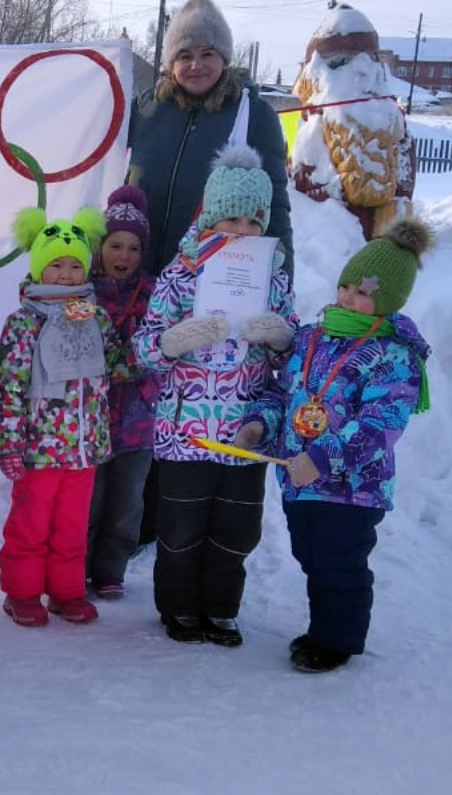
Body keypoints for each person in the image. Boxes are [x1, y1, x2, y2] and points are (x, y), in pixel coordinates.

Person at [127, 0, 294, 546]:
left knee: (189, 391)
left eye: (208, 53)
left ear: (225, 57)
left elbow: (276, 199)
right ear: (170, 59)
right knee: (144, 395)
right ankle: (142, 515)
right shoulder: (147, 109)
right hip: (148, 274)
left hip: (220, 279)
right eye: (185, 53)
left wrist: (278, 269)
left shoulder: (252, 113)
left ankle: (169, 514)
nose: (196, 64)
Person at [237, 219, 433, 672]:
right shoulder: (312, 337)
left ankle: (337, 640)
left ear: (386, 301)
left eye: (362, 292)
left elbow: (380, 423)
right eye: (346, 285)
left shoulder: (394, 356)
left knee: (339, 562)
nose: (347, 297)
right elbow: (283, 394)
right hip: (300, 479)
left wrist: (323, 459)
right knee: (311, 556)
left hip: (350, 488)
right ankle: (322, 628)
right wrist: (257, 425)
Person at [133, 144, 298, 647]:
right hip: (187, 433)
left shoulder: (273, 276)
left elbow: (290, 356)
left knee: (236, 528)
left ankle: (221, 608)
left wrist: (278, 338)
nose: (241, 232)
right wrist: (174, 341)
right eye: (230, 220)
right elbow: (143, 349)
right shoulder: (179, 276)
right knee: (181, 527)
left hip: (247, 430)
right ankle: (179, 607)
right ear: (208, 218)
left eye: (253, 222)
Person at [0, 206, 116, 628]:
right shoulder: (24, 323)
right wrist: (9, 443)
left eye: (74, 265)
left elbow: (116, 365)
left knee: (71, 526)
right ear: (39, 269)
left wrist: (164, 347)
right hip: (39, 451)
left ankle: (66, 591)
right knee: (31, 524)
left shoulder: (95, 317)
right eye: (56, 265)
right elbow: (9, 386)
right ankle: (22, 592)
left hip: (83, 449)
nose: (65, 274)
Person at [86, 186, 159, 599]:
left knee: (128, 501)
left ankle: (111, 570)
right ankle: (78, 567)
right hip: (91, 419)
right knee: (90, 501)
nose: (125, 256)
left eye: (134, 248)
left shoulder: (153, 293)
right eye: (116, 245)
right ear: (101, 247)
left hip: (137, 418)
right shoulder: (84, 292)